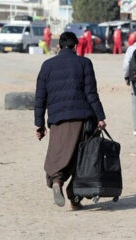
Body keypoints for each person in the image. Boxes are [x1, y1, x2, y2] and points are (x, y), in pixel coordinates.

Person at [34, 32, 106, 210]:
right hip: (82, 118)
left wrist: (39, 124)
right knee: (81, 158)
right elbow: (91, 93)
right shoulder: (84, 63)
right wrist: (100, 117)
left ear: (59, 46)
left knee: (59, 154)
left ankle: (57, 181)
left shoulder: (47, 65)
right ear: (75, 46)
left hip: (57, 119)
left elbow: (40, 97)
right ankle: (75, 199)